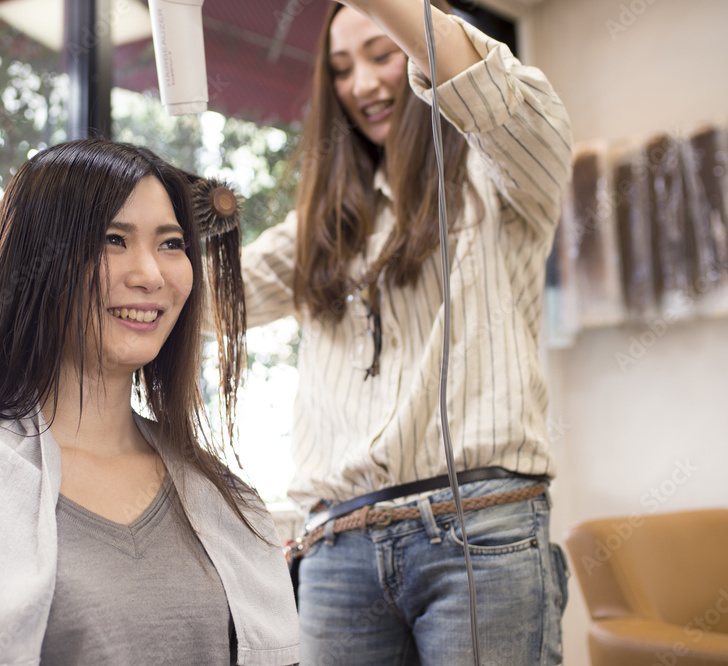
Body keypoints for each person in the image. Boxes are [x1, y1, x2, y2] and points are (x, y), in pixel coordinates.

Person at [0, 139, 300, 666]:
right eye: (112, 239)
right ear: (35, 264)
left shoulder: (227, 499)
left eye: (171, 244)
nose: (149, 274)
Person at [240, 1, 573, 663]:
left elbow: (494, 96)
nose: (361, 83)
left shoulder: (497, 179)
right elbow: (201, 295)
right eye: (341, 68)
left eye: (381, 52)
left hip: (482, 535)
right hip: (337, 549)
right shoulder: (323, 231)